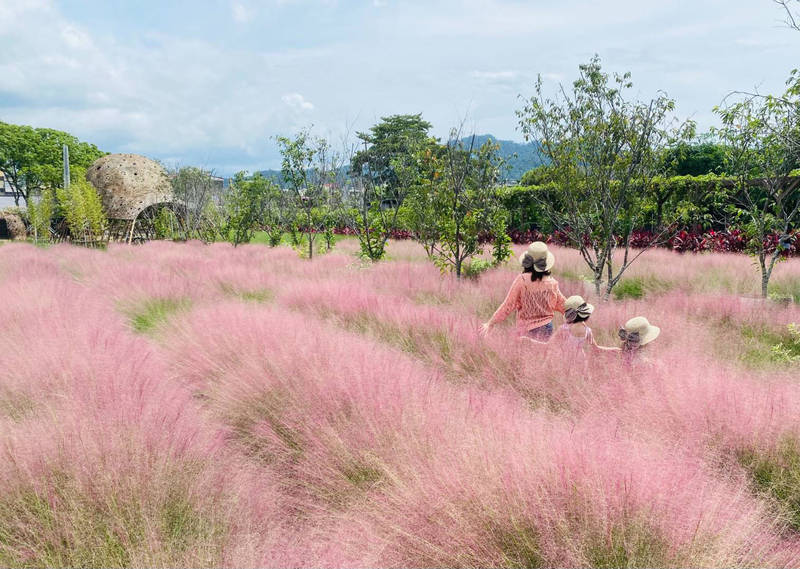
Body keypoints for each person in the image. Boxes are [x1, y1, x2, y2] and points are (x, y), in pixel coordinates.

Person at [481, 241, 566, 341]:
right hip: (547, 328)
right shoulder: (552, 283)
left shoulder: (522, 281)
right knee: (542, 356)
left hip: (526, 330)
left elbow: (508, 305)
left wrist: (491, 323)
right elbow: (565, 305)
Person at [553, 295, 620, 353]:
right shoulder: (587, 331)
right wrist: (613, 349)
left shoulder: (563, 329)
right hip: (581, 361)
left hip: (565, 360)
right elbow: (596, 348)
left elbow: (550, 345)